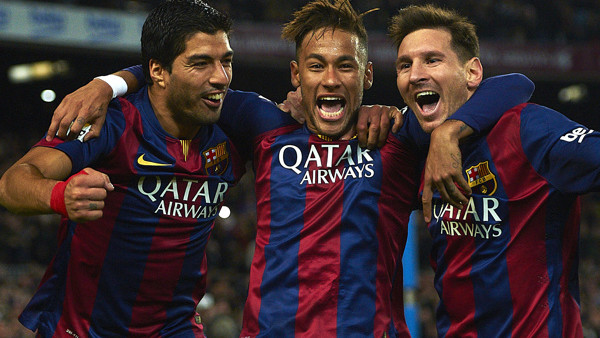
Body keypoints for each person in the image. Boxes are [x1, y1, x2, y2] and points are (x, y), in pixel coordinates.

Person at [44, 1, 534, 336]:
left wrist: (449, 132)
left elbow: (514, 84)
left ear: (366, 75)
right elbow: (176, 77)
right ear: (296, 75)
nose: (330, 79)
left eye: (345, 66)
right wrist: (109, 83)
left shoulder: (397, 137)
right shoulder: (262, 124)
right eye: (316, 66)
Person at [0, 1, 246, 336]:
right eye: (201, 63)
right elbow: (12, 183)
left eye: (226, 61)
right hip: (86, 328)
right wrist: (61, 195)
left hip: (175, 328)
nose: (220, 78)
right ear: (157, 71)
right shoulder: (112, 122)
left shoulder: (237, 125)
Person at [389, 4, 596, 337]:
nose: (415, 74)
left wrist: (449, 131)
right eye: (404, 65)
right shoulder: (413, 141)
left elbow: (518, 84)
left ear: (472, 73)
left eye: (432, 60)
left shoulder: (530, 129)